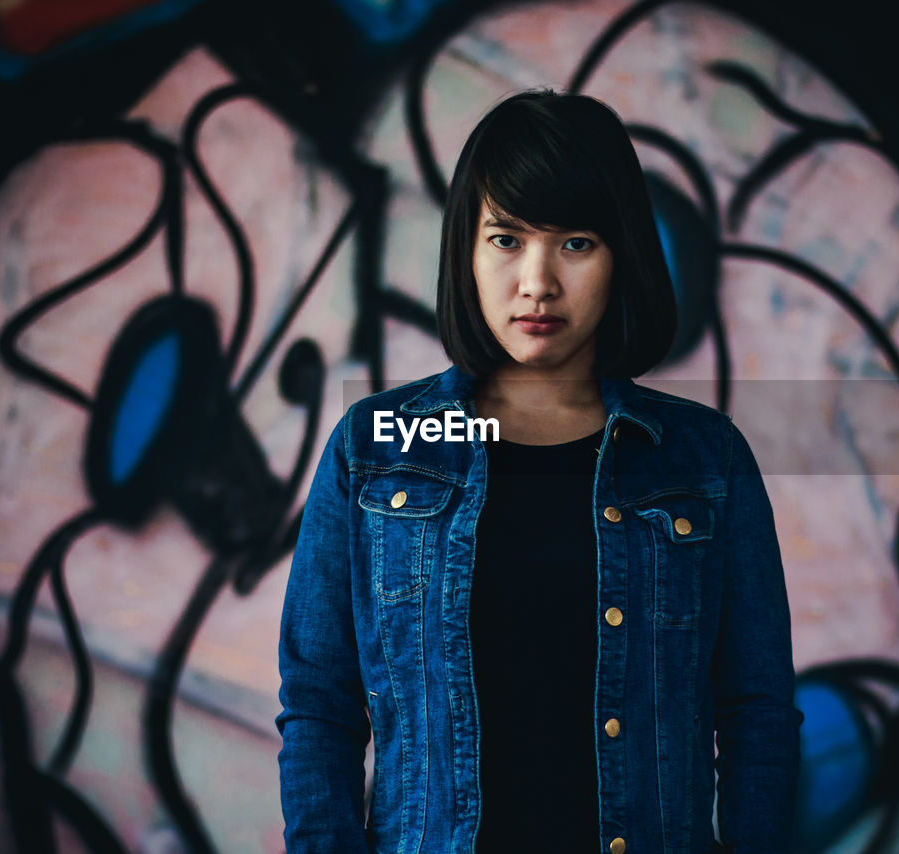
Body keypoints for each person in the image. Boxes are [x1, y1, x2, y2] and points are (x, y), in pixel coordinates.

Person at [277, 90, 803, 854]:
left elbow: (756, 711)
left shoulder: (702, 457)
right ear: (467, 248)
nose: (537, 281)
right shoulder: (377, 448)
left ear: (621, 252)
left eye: (576, 243)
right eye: (506, 239)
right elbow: (320, 705)